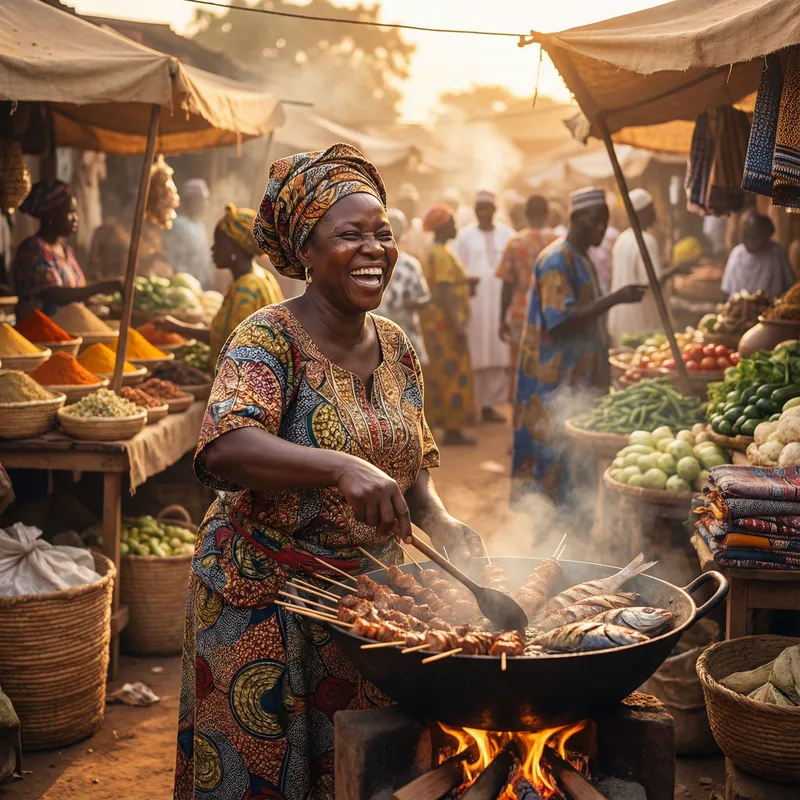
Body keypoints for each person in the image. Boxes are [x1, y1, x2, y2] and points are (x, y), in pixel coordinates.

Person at [172, 144, 483, 800]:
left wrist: (442, 518)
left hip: (362, 608)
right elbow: (224, 445)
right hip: (261, 600)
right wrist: (339, 467)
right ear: (305, 251)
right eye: (350, 234)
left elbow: (414, 468)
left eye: (383, 233)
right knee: (265, 775)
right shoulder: (267, 338)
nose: (375, 249)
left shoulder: (398, 347)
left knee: (356, 771)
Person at [512, 187, 646, 505]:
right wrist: (616, 298)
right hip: (553, 385)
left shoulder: (580, 257)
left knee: (576, 464)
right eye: (595, 221)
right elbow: (561, 321)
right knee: (554, 462)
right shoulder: (557, 260)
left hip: (577, 381)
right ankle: (550, 541)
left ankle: (575, 534)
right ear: (574, 218)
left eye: (605, 222)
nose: (601, 229)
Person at [158, 203, 283, 365]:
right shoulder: (263, 276)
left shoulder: (246, 288)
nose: (212, 249)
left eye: (218, 243)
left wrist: (178, 328)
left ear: (235, 248)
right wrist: (176, 327)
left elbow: (231, 344)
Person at [12, 181, 122, 318]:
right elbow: (55, 294)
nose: (76, 219)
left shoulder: (66, 251)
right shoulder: (32, 250)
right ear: (50, 215)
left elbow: (77, 292)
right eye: (69, 213)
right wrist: (104, 286)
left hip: (69, 333)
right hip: (38, 334)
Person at [453, 191, 515, 423]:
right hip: (476, 303)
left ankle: (489, 407)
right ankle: (474, 406)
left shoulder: (508, 234)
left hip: (500, 302)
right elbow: (458, 270)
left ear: (495, 210)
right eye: (480, 209)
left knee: (498, 354)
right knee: (477, 352)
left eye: (488, 208)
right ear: (475, 210)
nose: (484, 213)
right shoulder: (464, 236)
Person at [419, 205, 477, 446]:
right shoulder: (441, 254)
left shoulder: (438, 251)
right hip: (445, 326)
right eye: (452, 222)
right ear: (442, 226)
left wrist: (465, 283)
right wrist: (458, 326)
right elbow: (444, 292)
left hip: (437, 325)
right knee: (453, 373)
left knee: (440, 374)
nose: (456, 227)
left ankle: (440, 425)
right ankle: (452, 429)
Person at [607, 189, 687, 345]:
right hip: (641, 325)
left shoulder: (622, 239)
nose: (656, 214)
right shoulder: (646, 240)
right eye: (652, 210)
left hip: (621, 322)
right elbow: (652, 282)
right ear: (642, 213)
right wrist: (676, 269)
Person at [496, 194, 555, 380]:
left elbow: (507, 284)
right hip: (552, 309)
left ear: (526, 214)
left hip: (521, 311)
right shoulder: (557, 241)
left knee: (520, 364)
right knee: (549, 362)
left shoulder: (515, 243)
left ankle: (521, 405)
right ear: (547, 214)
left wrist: (501, 319)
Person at [376, 208, 431, 364]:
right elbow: (424, 298)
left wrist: (409, 304)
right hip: (382, 335)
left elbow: (423, 299)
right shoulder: (410, 264)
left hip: (402, 333)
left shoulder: (369, 260)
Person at [721, 211, 795, 297]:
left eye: (755, 236)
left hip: (771, 308)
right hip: (739, 308)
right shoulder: (737, 254)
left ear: (765, 235)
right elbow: (726, 290)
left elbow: (790, 287)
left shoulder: (776, 252)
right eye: (749, 236)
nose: (752, 242)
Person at [163, 178, 214, 289]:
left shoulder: (200, 226)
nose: (204, 204)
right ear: (189, 202)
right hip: (182, 285)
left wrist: (208, 279)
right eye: (200, 200)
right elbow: (170, 256)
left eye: (205, 200)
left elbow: (204, 258)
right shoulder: (178, 224)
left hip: (201, 285)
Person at [394, 183, 431, 262]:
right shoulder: (392, 226)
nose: (407, 208)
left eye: (410, 203)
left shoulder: (421, 227)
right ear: (398, 205)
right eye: (404, 203)